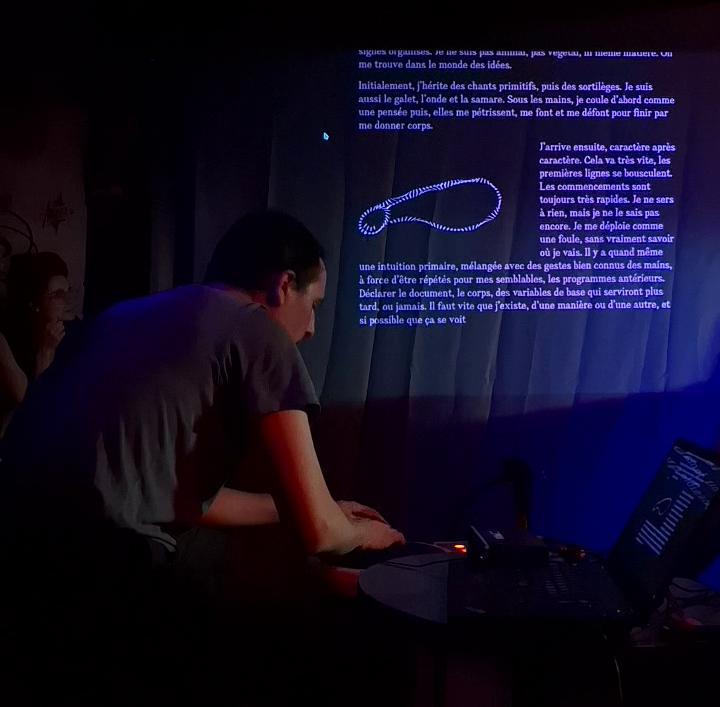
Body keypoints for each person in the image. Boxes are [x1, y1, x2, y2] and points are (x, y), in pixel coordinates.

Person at [0, 210, 403, 704]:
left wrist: (309, 507)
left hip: (17, 556)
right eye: (314, 304)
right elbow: (319, 534)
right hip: (102, 572)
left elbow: (173, 497)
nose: (313, 328)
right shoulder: (258, 328)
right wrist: (363, 534)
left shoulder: (125, 316)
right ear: (284, 285)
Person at [0, 251, 69, 436]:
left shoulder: (68, 338)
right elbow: (30, 410)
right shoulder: (8, 341)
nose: (66, 302)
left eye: (67, 293)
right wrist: (45, 351)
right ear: (34, 303)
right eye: (58, 295)